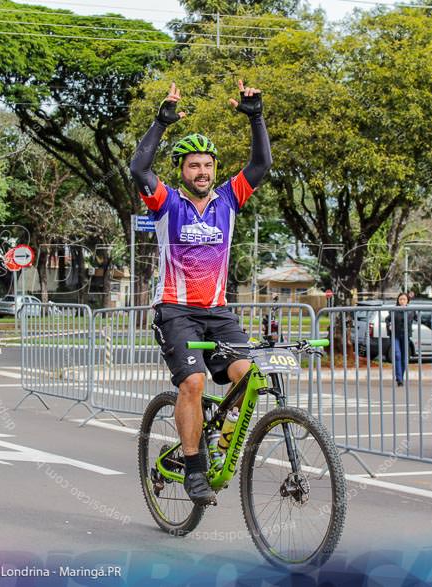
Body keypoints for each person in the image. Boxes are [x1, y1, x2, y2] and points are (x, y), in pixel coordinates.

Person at [130, 79, 272, 506]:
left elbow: (261, 165)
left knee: (250, 379)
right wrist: (160, 122)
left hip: (217, 310)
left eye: (207, 165)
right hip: (175, 310)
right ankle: (193, 465)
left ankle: (216, 439)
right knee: (192, 381)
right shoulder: (165, 202)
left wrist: (256, 118)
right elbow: (139, 168)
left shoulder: (229, 198)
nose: (203, 172)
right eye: (193, 166)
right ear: (182, 171)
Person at [386, 292, 413, 386]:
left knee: (404, 358)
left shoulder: (411, 311)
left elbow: (420, 318)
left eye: (404, 299)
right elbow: (387, 319)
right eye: (400, 299)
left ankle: (400, 377)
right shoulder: (394, 310)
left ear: (407, 301)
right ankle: (400, 379)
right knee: (397, 355)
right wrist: (389, 325)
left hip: (406, 336)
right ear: (398, 300)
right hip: (395, 336)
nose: (402, 301)